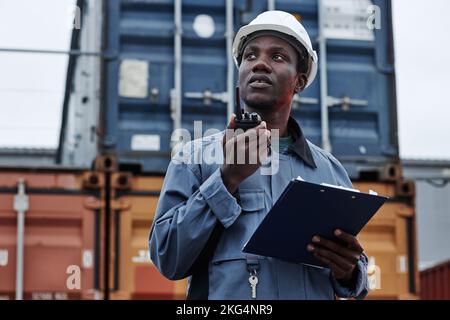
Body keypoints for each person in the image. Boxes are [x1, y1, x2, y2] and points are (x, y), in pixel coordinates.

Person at [149, 10, 369, 300]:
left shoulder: (329, 171)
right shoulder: (194, 160)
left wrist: (350, 271)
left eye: (277, 57)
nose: (260, 64)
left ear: (299, 82)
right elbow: (168, 258)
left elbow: (357, 273)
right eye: (250, 56)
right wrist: (227, 179)